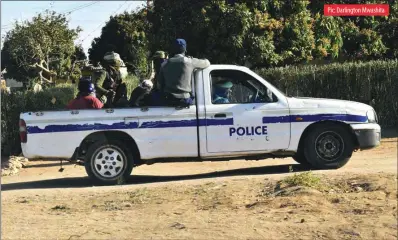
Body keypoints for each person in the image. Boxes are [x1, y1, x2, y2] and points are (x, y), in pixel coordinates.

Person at [158, 38, 210, 107]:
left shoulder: (164, 64)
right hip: (184, 100)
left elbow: (159, 85)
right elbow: (207, 63)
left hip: (168, 100)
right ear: (184, 49)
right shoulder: (189, 61)